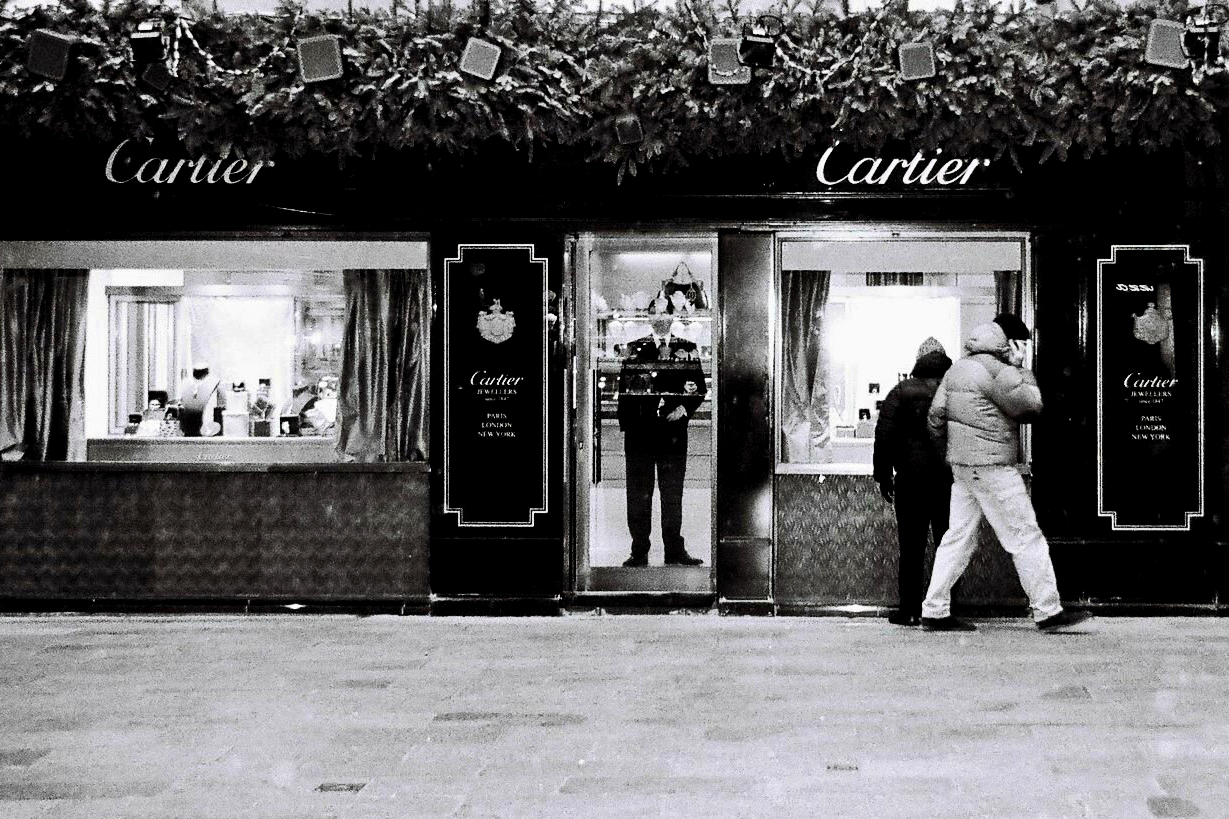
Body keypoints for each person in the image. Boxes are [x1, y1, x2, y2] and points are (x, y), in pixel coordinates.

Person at [920, 313, 1092, 633]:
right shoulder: (997, 370)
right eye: (1020, 344)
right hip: (994, 467)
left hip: (963, 469)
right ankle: (1048, 609)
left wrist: (954, 451)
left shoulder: (956, 370)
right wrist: (1021, 369)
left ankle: (934, 609)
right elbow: (1030, 407)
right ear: (1005, 343)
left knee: (957, 539)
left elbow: (935, 416)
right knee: (1025, 536)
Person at [873, 337, 953, 626]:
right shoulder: (955, 391)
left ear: (918, 361)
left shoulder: (901, 391)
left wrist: (883, 475)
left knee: (911, 548)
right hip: (948, 480)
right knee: (949, 546)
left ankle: (909, 610)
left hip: (911, 481)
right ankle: (944, 609)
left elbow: (884, 436)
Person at [617, 315, 706, 567]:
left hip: (672, 434)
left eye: (665, 312)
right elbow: (624, 389)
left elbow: (699, 387)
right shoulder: (635, 348)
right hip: (640, 434)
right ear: (649, 318)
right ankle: (639, 550)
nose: (660, 318)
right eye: (655, 313)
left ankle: (674, 550)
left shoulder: (687, 348)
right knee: (638, 494)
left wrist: (685, 409)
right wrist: (628, 425)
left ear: (672, 317)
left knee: (672, 494)